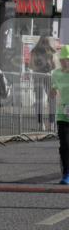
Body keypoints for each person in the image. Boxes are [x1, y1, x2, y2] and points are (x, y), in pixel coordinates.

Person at [49, 45, 69, 184]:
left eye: (67, 59)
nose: (64, 62)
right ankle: (67, 173)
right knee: (64, 145)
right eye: (62, 59)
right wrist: (52, 92)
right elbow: (53, 89)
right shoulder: (56, 73)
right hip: (63, 114)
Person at [30, 36, 59, 130]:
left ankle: (40, 124)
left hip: (37, 76)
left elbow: (31, 65)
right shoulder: (50, 52)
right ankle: (52, 123)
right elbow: (54, 65)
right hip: (48, 76)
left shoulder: (34, 51)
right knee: (52, 101)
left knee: (39, 101)